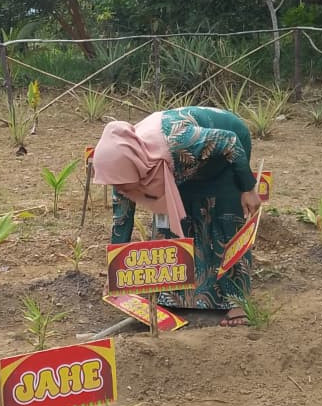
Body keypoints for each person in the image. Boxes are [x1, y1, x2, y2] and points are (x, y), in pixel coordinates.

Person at [93, 106, 261, 326]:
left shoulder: (178, 140)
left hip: (225, 154)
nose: (118, 188)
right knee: (174, 224)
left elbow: (229, 141)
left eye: (120, 183)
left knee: (225, 222)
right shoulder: (124, 172)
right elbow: (122, 221)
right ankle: (174, 298)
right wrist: (114, 273)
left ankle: (236, 301)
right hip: (183, 166)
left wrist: (248, 189)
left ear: (132, 166)